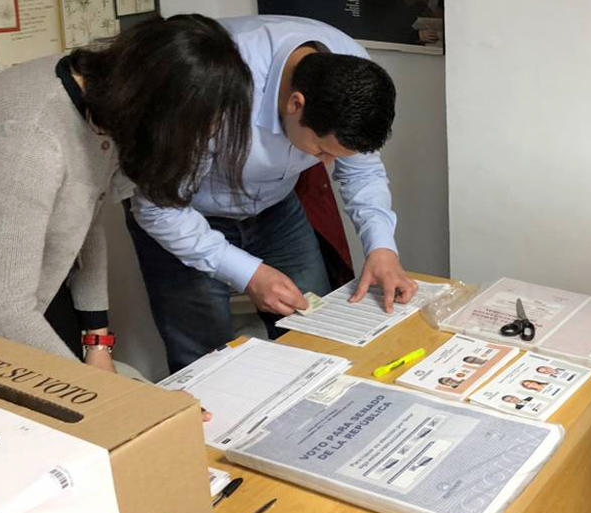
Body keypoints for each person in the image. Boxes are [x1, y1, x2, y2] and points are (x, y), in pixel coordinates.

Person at [0, 15, 252, 373]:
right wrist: (95, 393)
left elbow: (84, 221)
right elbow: (2, 308)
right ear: (156, 107)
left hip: (20, 291)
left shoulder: (100, 98)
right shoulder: (33, 141)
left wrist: (98, 341)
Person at [127, 15, 418, 372]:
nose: (325, 164)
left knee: (317, 339)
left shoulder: (351, 67)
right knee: (205, 361)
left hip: (276, 208)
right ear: (296, 104)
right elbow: (159, 207)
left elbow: (363, 171)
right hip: (186, 214)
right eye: (320, 150)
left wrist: (382, 247)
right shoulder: (214, 81)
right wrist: (248, 273)